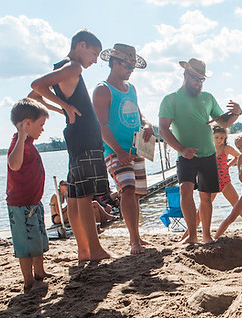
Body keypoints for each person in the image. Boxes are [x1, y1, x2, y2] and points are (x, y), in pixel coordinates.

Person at [29, 30, 112, 261]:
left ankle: (83, 250)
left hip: (76, 137)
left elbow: (35, 95)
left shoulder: (64, 67)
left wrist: (62, 107)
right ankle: (94, 250)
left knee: (75, 197)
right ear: (81, 45)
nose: (94, 60)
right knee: (85, 197)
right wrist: (64, 107)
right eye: (94, 54)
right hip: (84, 138)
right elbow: (36, 85)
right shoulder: (73, 66)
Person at [158, 58, 242, 244]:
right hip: (186, 155)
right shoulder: (170, 99)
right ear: (185, 75)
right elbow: (163, 129)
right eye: (196, 78)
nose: (199, 82)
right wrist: (181, 148)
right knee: (185, 190)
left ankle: (206, 235)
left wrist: (236, 113)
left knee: (206, 197)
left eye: (202, 79)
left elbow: (224, 122)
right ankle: (192, 237)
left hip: (208, 154)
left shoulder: (208, 98)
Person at [93, 43, 153, 254]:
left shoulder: (131, 89)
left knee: (136, 194)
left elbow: (139, 114)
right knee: (126, 189)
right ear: (115, 63)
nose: (131, 70)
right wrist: (118, 151)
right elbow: (100, 125)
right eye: (128, 66)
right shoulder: (102, 89)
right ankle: (134, 240)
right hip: (115, 150)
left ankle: (137, 236)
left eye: (132, 67)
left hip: (137, 147)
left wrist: (147, 124)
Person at [6, 98, 52, 293]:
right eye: (40, 125)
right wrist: (22, 136)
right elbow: (14, 164)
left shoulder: (30, 144)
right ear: (26, 124)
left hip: (34, 202)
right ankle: (28, 280)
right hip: (21, 204)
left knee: (38, 241)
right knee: (25, 246)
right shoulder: (19, 143)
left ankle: (40, 272)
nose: (42, 129)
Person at [50, 180, 116, 228]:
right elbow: (59, 212)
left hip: (62, 214)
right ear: (60, 186)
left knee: (90, 207)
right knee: (80, 207)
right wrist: (69, 206)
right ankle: (106, 217)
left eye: (68, 185)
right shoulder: (56, 196)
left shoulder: (65, 194)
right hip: (57, 217)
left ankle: (98, 223)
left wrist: (70, 203)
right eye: (65, 185)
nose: (67, 187)